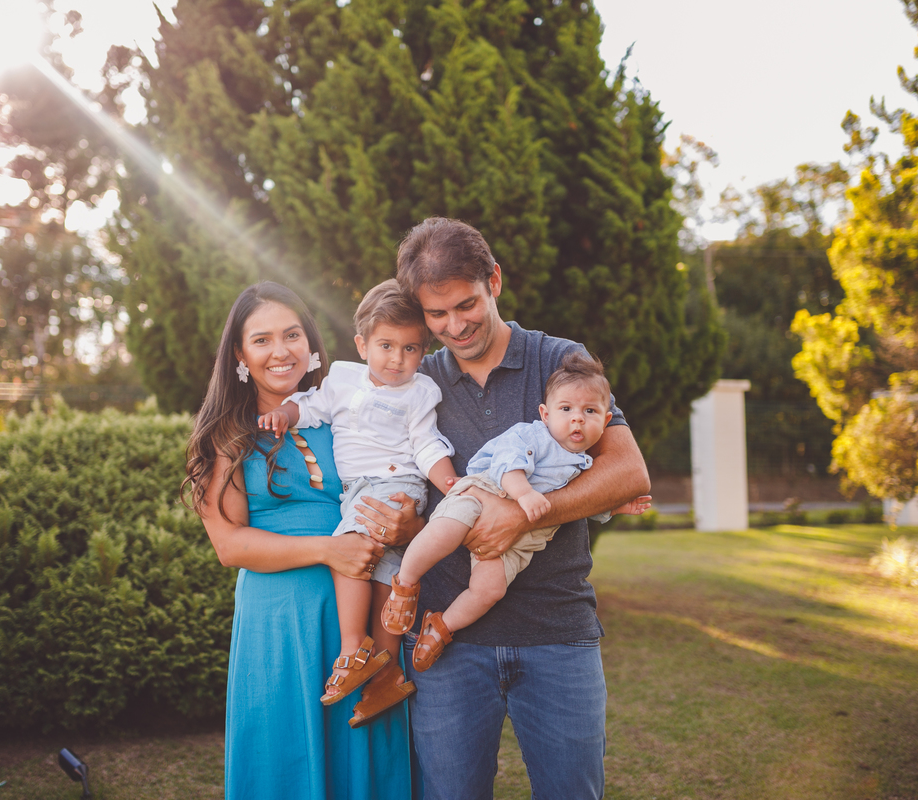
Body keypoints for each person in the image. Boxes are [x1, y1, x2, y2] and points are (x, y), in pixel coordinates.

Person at [394, 217, 653, 799]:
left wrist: (521, 514)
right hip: (448, 644)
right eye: (436, 315)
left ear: (495, 282)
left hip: (557, 634)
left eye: (467, 304)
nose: (454, 326)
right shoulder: (419, 381)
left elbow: (628, 471)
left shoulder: (559, 360)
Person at [184, 281, 419, 800]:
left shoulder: (350, 409)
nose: (280, 350)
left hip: (361, 619)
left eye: (292, 334)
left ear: (311, 343)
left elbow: (401, 484)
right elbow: (230, 546)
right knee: (285, 758)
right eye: (262, 340)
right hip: (280, 623)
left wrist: (410, 527)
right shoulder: (224, 433)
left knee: (365, 757)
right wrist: (326, 550)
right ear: (241, 356)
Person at [257, 279, 455, 724]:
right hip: (362, 489)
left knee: (348, 553)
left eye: (410, 349)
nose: (397, 359)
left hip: (392, 484)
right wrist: (282, 415)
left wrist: (450, 482)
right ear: (362, 345)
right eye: (386, 346)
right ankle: (386, 676)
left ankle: (352, 649)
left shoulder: (421, 391)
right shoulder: (342, 378)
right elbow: (307, 407)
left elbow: (427, 445)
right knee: (384, 571)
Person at [381, 351, 650, 672]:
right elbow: (508, 464)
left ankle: (441, 627)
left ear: (606, 421)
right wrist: (523, 495)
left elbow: (581, 504)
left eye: (589, 411)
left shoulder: (585, 464)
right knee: (444, 531)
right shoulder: (533, 434)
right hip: (484, 495)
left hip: (517, 542)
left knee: (489, 589)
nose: (577, 418)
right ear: (546, 413)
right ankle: (406, 582)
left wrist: (614, 507)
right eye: (566, 409)